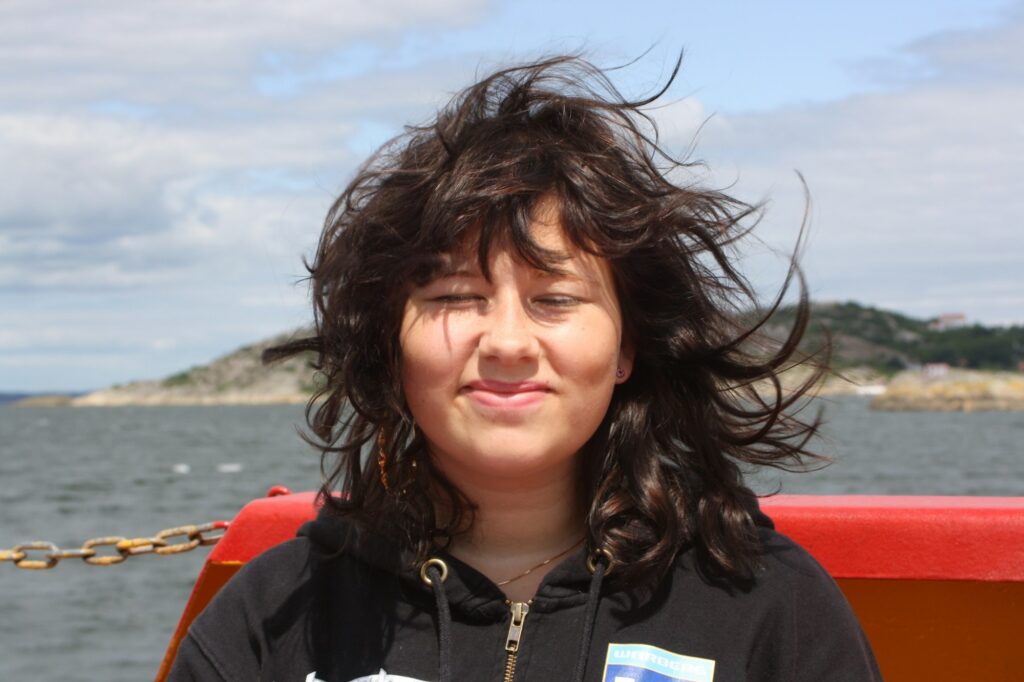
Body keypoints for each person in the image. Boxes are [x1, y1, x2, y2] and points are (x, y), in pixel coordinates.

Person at [169, 55, 881, 681]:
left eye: (555, 298)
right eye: (455, 296)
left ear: (627, 345)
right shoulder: (276, 617)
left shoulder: (771, 608)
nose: (507, 341)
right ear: (392, 342)